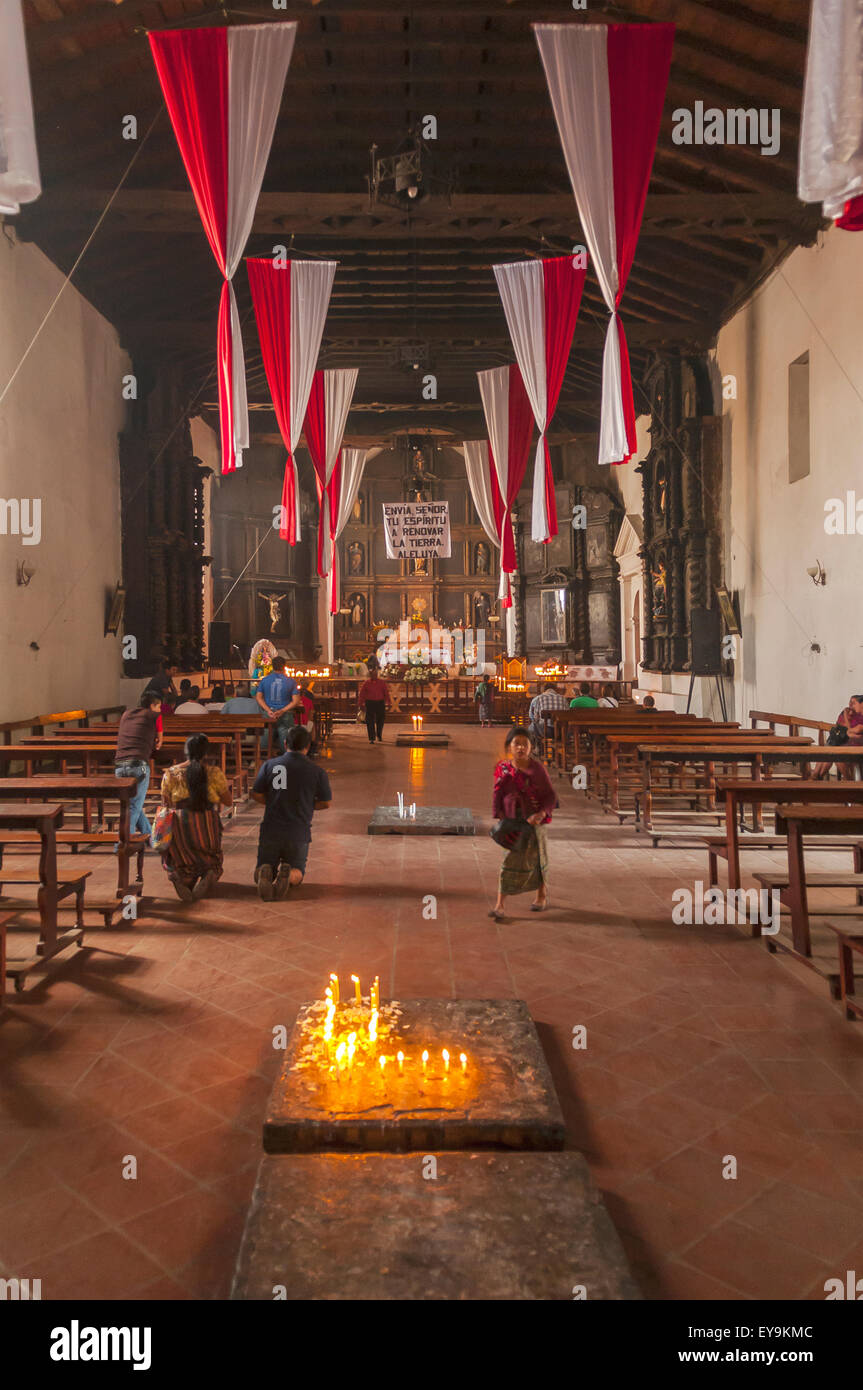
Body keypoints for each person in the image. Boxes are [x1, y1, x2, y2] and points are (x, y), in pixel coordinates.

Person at [252, 725, 332, 900]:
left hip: (271, 828)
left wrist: (273, 802)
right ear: (308, 746)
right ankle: (289, 876)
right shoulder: (317, 771)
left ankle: (264, 873)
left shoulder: (269, 765)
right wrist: (307, 805)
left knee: (263, 864)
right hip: (298, 830)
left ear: (285, 743)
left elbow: (256, 793)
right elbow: (326, 802)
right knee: (298, 869)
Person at [489, 727, 556, 920]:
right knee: (508, 859)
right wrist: (500, 816)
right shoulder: (502, 768)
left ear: (531, 747)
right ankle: (500, 904)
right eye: (516, 744)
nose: (520, 748)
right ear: (509, 747)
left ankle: (541, 895)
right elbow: (497, 793)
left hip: (535, 820)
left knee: (538, 859)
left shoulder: (537, 769)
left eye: (524, 744)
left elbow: (550, 796)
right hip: (512, 820)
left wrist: (542, 813)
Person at [159, 733, 232, 901]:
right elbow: (228, 801)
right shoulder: (213, 772)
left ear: (186, 751)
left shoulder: (171, 773)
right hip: (207, 824)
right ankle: (209, 872)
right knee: (212, 857)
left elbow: (166, 804)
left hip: (180, 826)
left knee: (181, 857)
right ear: (205, 753)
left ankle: (182, 876)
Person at [115, 691, 163, 837]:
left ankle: (149, 837)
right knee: (134, 806)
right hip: (139, 765)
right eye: (159, 706)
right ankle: (123, 843)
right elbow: (159, 743)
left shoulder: (126, 714)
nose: (160, 710)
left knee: (133, 805)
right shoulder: (155, 716)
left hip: (119, 765)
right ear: (151, 705)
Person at [255, 656, 302, 752]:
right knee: (286, 743)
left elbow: (258, 697)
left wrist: (268, 710)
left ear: (272, 666)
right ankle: (285, 761)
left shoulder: (265, 680)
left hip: (269, 715)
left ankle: (262, 761)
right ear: (284, 666)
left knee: (265, 740)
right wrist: (282, 710)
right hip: (285, 715)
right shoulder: (291, 682)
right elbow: (296, 701)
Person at [815, 693, 863, 779]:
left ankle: (849, 781)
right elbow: (843, 729)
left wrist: (846, 719)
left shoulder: (858, 716)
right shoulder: (850, 713)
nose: (851, 705)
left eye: (853, 702)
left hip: (855, 745)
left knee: (833, 752)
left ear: (861, 703)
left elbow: (851, 731)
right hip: (846, 742)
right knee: (829, 751)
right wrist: (850, 731)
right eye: (850, 702)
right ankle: (817, 776)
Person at [527, 682, 568, 754]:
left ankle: (539, 747)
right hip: (561, 730)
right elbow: (567, 714)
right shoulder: (563, 698)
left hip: (546, 731)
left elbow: (536, 718)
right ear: (555, 689)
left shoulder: (540, 698)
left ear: (544, 690)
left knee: (533, 725)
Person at [358, 669, 391, 744]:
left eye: (376, 674)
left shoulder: (381, 682)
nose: (374, 676)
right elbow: (362, 694)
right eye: (373, 674)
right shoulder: (366, 683)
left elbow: (386, 692)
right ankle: (372, 737)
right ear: (370, 675)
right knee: (370, 721)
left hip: (380, 702)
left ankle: (379, 735)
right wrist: (360, 704)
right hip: (370, 703)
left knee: (380, 720)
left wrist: (388, 703)